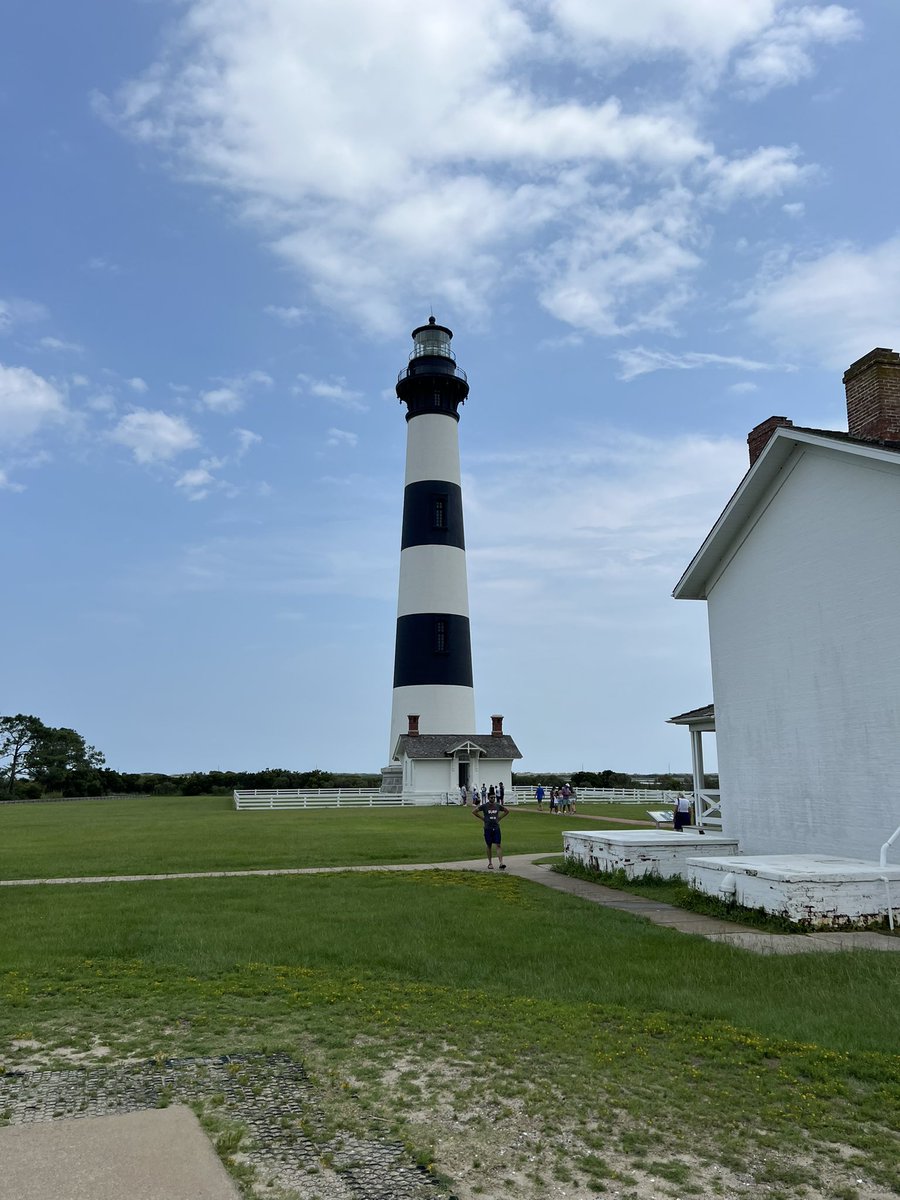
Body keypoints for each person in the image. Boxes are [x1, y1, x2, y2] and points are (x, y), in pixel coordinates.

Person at [474, 786, 509, 869]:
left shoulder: (497, 806)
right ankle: (490, 863)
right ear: (488, 798)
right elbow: (474, 811)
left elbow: (506, 811)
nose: (493, 799)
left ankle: (501, 863)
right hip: (488, 828)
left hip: (496, 827)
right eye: (491, 797)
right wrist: (483, 819)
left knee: (498, 845)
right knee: (489, 845)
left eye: (494, 797)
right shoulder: (484, 806)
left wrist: (499, 818)